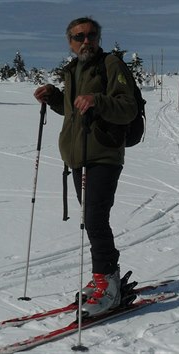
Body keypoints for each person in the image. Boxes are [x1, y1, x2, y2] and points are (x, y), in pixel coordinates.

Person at [33, 17, 137, 317]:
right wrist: (54, 97)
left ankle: (109, 286)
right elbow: (73, 110)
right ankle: (104, 278)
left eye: (91, 35)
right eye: (79, 36)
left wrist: (98, 100)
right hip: (78, 158)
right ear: (70, 41)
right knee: (91, 220)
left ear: (99, 37)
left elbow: (127, 108)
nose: (86, 41)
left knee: (95, 219)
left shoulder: (112, 65)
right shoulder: (73, 69)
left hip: (104, 154)